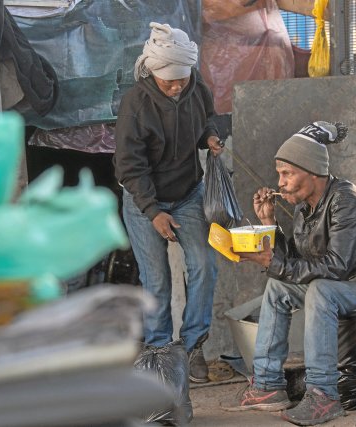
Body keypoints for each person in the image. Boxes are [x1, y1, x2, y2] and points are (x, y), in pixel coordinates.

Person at [225, 121, 356, 425]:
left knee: (321, 288)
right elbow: (297, 261)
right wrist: (270, 224)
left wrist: (272, 263)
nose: (279, 183)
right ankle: (268, 386)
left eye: (287, 174)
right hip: (345, 279)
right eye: (279, 174)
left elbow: (335, 267)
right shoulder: (304, 208)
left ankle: (323, 396)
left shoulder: (347, 201)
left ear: (312, 173)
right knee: (277, 288)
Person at [114, 22, 223, 383]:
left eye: (182, 78)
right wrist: (153, 212)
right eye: (169, 81)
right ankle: (161, 356)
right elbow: (129, 166)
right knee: (157, 281)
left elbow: (209, 117)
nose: (177, 86)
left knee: (204, 265)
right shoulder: (136, 103)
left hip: (188, 192)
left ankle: (191, 349)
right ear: (153, 71)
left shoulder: (195, 86)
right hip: (144, 198)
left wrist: (210, 135)